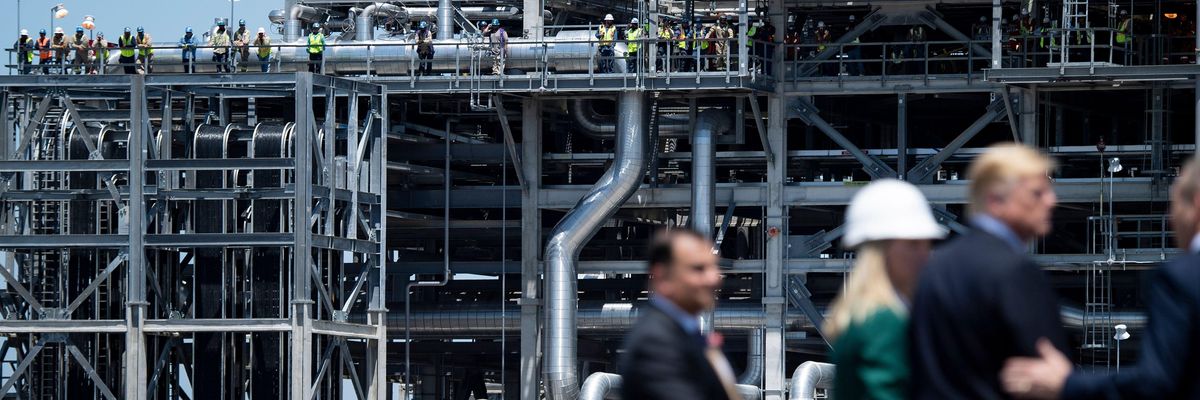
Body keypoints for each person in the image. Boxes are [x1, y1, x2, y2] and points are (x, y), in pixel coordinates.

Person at [999, 156, 1200, 400]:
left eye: (1175, 203)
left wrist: (1068, 384)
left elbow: (1157, 383)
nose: (1171, 216)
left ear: (1196, 204)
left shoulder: (1182, 277)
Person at [909, 143, 1066, 399]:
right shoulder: (1015, 271)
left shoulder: (935, 268)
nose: (1052, 201)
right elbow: (1043, 376)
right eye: (1038, 193)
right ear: (995, 200)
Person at [827, 180, 945, 400]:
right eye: (913, 245)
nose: (925, 255)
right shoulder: (885, 321)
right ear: (881, 250)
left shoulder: (861, 314)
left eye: (926, 244)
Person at [617, 229, 740, 400]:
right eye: (698, 269)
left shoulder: (685, 334)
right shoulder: (655, 343)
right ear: (662, 277)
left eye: (714, 266)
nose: (714, 278)